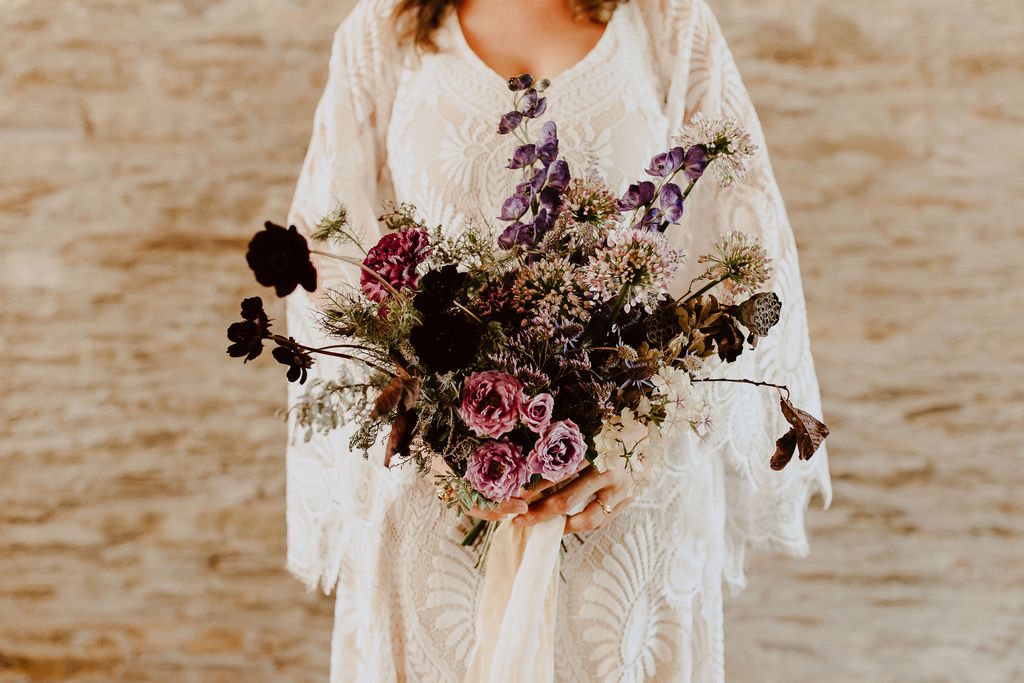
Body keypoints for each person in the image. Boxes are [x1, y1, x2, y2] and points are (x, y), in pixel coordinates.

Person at [283, 0, 832, 680]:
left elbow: (748, 237)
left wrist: (639, 440)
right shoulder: (383, 31)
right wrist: (437, 429)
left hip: (625, 509)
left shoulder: (668, 23)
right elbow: (322, 255)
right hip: (437, 509)